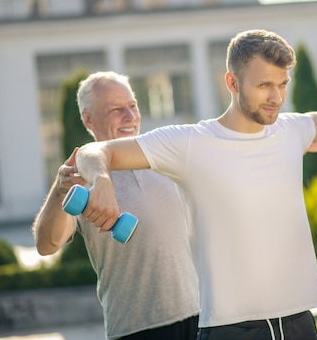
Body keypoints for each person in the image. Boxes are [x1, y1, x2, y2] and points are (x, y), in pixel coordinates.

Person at [74, 29, 317, 340]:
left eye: (282, 84)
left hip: (299, 321)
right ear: (232, 82)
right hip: (232, 329)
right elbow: (95, 151)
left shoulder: (291, 130)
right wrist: (102, 179)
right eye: (264, 85)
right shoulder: (189, 143)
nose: (276, 97)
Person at [32, 72, 200, 340]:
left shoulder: (164, 159)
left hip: (198, 318)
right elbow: (46, 245)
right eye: (115, 110)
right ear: (88, 119)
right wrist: (60, 190)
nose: (130, 116)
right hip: (136, 329)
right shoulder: (81, 178)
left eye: (132, 106)